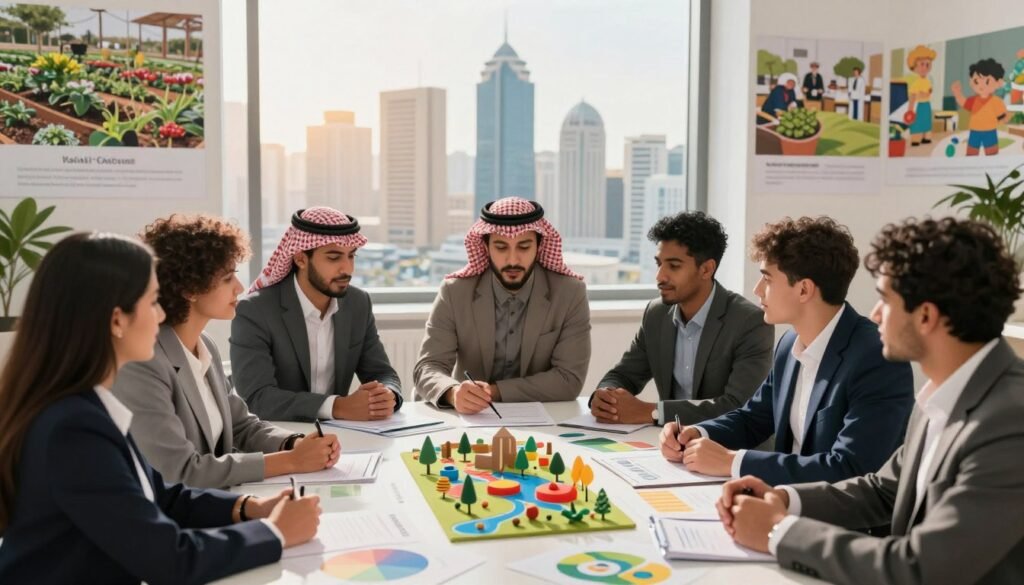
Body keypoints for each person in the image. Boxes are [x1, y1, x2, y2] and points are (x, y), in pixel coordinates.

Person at [0, 233, 321, 584]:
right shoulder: (73, 430)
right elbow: (169, 559)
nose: (163, 314)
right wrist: (275, 533)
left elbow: (163, 496)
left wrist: (248, 507)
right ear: (117, 321)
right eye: (153, 302)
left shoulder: (89, 405)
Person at [718, 217, 1024, 585]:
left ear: (926, 315)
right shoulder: (939, 396)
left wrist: (779, 532)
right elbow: (883, 490)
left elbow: (923, 568)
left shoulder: (1010, 420)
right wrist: (784, 499)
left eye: (885, 299)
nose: (875, 314)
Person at [659, 217, 914, 486]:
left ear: (804, 289)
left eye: (767, 278)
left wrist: (732, 462)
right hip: (780, 499)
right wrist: (697, 434)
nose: (757, 290)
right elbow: (754, 418)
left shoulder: (877, 358)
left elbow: (850, 468)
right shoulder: (789, 343)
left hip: (836, 510)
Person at [113, 215, 341, 488]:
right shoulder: (144, 363)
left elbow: (241, 425)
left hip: (223, 497)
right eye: (227, 278)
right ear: (190, 288)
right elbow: (179, 471)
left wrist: (294, 443)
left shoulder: (205, 344)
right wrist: (291, 461)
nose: (239, 288)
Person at [592, 211, 773, 426]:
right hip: (669, 441)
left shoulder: (750, 322)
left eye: (674, 266)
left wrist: (653, 412)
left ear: (706, 269)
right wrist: (605, 396)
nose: (660, 276)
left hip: (725, 443)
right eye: (659, 264)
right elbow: (624, 375)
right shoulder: (656, 314)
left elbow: (737, 406)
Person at [414, 197, 591, 411]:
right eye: (501, 247)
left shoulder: (570, 293)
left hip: (543, 416)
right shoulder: (455, 291)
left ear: (539, 246)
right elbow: (427, 367)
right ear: (486, 246)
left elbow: (569, 380)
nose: (512, 260)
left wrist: (494, 391)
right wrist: (453, 393)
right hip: (469, 416)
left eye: (524, 247)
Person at [231, 207, 403, 422]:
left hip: (339, 434)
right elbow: (257, 398)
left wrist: (387, 395)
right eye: (334, 258)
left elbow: (382, 373)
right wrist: (337, 407)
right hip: (278, 435)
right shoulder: (255, 311)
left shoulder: (358, 303)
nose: (347, 269)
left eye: (351, 256)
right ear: (301, 259)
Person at [952, 58, 1009, 157]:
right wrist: (957, 94)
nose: (981, 85)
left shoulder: (996, 101)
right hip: (975, 131)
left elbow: (1002, 116)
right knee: (971, 153)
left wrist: (1004, 120)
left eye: (987, 81)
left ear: (998, 83)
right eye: (977, 81)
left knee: (992, 154)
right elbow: (963, 103)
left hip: (990, 131)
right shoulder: (973, 100)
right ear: (971, 81)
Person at [905, 45, 937, 146]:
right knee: (917, 122)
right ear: (914, 67)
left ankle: (926, 137)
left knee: (926, 121)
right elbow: (912, 95)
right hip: (918, 105)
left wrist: (927, 93)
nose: (925, 67)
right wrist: (910, 108)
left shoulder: (928, 81)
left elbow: (929, 91)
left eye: (927, 65)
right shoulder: (916, 83)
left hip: (926, 105)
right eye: (922, 64)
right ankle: (916, 138)